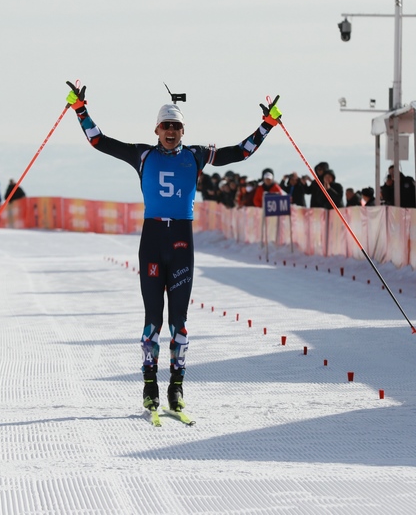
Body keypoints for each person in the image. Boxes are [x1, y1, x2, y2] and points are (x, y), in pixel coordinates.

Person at [65, 81, 281, 417]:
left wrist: (267, 124)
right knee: (153, 320)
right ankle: (150, 385)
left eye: (176, 127)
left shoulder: (195, 155)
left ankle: (176, 387)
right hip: (152, 241)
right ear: (156, 129)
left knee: (179, 322)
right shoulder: (143, 154)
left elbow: (240, 151)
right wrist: (80, 108)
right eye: (165, 126)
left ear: (183, 131)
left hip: (182, 242)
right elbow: (98, 141)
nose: (170, 132)